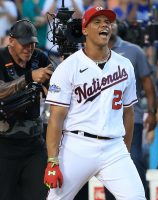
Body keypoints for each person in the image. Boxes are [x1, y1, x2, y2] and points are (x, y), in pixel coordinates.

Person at [43, 6, 146, 200]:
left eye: (107, 22)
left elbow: (129, 113)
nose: (104, 25)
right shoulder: (68, 67)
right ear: (84, 29)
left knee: (137, 197)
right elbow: (56, 118)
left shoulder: (125, 65)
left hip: (114, 147)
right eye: (97, 22)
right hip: (77, 145)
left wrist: (125, 151)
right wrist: (52, 160)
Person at [103, 19, 157, 199]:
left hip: (132, 117)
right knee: (108, 166)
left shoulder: (134, 51)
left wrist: (152, 112)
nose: (108, 26)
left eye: (111, 22)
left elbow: (149, 85)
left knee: (134, 161)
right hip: (105, 120)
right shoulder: (90, 53)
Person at [0, 19, 53, 200]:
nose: (28, 48)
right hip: (4, 144)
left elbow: (56, 89)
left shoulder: (40, 58)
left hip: (34, 144)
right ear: (11, 40)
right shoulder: (0, 58)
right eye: (24, 43)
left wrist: (53, 89)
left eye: (32, 43)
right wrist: (29, 77)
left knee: (39, 196)